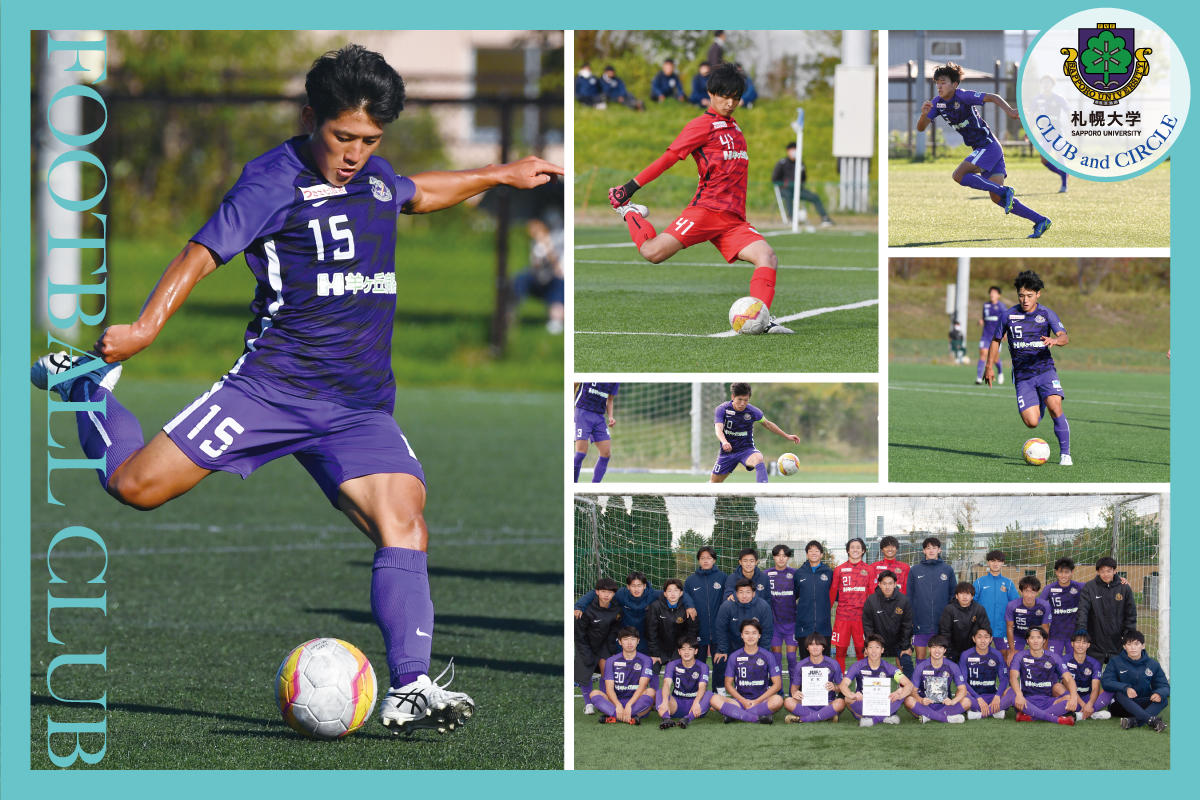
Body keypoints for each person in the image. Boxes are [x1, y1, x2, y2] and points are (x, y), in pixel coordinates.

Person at [31, 44, 564, 736]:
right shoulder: (270, 182)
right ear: (311, 116)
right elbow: (201, 256)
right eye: (343, 136)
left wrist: (501, 173)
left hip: (358, 406)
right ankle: (87, 389)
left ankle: (411, 685)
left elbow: (418, 192)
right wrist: (143, 329)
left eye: (370, 140)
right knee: (134, 487)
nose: (355, 153)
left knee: (404, 522)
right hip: (271, 391)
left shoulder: (373, 178)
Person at [607, 64, 794, 334]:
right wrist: (630, 187)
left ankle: (763, 320)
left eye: (735, 97)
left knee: (767, 256)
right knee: (652, 252)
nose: (730, 103)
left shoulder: (736, 128)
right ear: (710, 94)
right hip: (705, 211)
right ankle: (630, 212)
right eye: (724, 96)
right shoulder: (701, 126)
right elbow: (668, 159)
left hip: (733, 221)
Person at [916, 62, 1051, 239]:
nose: (939, 86)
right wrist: (924, 115)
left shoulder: (963, 96)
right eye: (937, 83)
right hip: (985, 149)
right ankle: (1040, 220)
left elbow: (993, 97)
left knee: (958, 175)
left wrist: (1010, 111)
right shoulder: (937, 103)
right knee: (997, 198)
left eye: (943, 82)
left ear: (955, 84)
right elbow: (920, 128)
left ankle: (1006, 191)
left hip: (988, 146)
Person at [985, 269, 1072, 465]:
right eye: (1021, 295)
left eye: (1029, 296)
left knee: (1055, 407)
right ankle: (1040, 400)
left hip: (1045, 369)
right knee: (1032, 423)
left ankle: (1065, 454)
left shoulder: (1046, 314)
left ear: (1038, 294)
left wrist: (1055, 340)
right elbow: (996, 340)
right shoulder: (1008, 315)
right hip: (1023, 375)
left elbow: (1064, 336)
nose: (1025, 300)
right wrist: (989, 366)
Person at [574, 571, 697, 651]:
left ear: (644, 586)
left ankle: (645, 690)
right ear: (628, 587)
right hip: (624, 634)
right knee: (619, 661)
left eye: (639, 585)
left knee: (645, 663)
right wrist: (579, 606)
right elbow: (596, 593)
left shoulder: (653, 594)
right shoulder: (621, 594)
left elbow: (679, 594)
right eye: (633, 585)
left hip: (644, 635)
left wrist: (690, 605)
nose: (636, 589)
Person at [710, 383, 802, 483]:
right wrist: (724, 442)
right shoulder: (722, 409)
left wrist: (787, 436)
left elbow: (768, 424)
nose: (742, 403)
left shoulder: (753, 411)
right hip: (727, 453)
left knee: (758, 458)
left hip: (746, 450)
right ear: (733, 397)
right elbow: (718, 429)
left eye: (746, 400)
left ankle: (762, 492)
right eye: (739, 399)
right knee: (714, 483)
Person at [710, 619, 783, 723]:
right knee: (714, 699)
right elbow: (728, 684)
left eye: (754, 633)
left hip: (761, 700)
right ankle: (757, 717)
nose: (750, 636)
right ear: (742, 635)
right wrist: (743, 701)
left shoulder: (768, 655)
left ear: (759, 635)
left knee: (778, 700)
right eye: (747, 633)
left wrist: (757, 701)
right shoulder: (734, 656)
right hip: (739, 701)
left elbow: (777, 684)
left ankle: (735, 714)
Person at [839, 635, 915, 726]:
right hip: (864, 701)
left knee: (903, 691)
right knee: (847, 698)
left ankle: (871, 720)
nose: (874, 651)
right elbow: (843, 685)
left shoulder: (888, 667)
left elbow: (909, 684)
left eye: (877, 647)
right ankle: (884, 717)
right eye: (870, 647)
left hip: (882, 702)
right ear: (866, 650)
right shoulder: (857, 666)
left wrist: (899, 694)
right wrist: (853, 695)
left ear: (882, 650)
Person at [1101, 630, 1169, 732]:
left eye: (1136, 644)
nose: (1133, 648)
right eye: (1129, 644)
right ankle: (1151, 720)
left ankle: (1134, 721)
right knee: (1120, 693)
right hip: (1120, 706)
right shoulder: (1115, 662)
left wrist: (1159, 693)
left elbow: (1164, 686)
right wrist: (1125, 688)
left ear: (1143, 646)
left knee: (1163, 699)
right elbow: (1106, 682)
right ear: (1124, 647)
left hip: (1141, 703)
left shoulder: (1153, 664)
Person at [1009, 627, 1079, 724]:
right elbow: (1013, 677)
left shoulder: (1053, 657)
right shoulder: (1020, 656)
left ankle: (1032, 717)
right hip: (1027, 701)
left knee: (1068, 698)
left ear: (1044, 640)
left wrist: (1074, 697)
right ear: (1027, 640)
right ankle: (1057, 719)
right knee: (1012, 696)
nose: (1035, 641)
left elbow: (1068, 678)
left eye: (1038, 637)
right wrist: (1019, 695)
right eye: (1032, 638)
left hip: (1048, 701)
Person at [575, 577, 624, 714]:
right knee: (585, 672)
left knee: (606, 670)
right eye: (603, 591)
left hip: (604, 645)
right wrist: (586, 653)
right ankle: (588, 704)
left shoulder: (616, 609)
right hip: (586, 644)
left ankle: (601, 700)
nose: (606, 595)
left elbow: (615, 629)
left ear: (614, 594)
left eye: (610, 592)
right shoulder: (585, 609)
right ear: (596, 592)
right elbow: (579, 634)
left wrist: (610, 647)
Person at [684, 546, 729, 691]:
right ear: (698, 560)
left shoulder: (723, 577)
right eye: (702, 558)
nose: (706, 561)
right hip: (699, 629)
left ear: (714, 560)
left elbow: (728, 595)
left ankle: (719, 694)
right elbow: (685, 596)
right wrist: (689, 605)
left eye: (709, 558)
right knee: (698, 664)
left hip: (719, 629)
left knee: (720, 663)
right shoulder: (691, 580)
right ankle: (695, 693)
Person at [589, 627, 656, 724]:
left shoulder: (646, 660)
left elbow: (642, 686)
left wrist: (629, 705)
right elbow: (609, 688)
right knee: (594, 693)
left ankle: (614, 716)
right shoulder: (611, 661)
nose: (629, 643)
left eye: (633, 639)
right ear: (620, 642)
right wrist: (618, 705)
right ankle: (631, 717)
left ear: (638, 641)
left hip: (636, 701)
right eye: (625, 639)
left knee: (651, 692)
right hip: (616, 702)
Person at [1077, 556, 1137, 663]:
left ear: (1115, 571)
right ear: (1098, 572)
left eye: (1109, 571)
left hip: (1117, 643)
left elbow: (1130, 613)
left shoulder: (1124, 588)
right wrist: (1082, 628)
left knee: (1116, 677)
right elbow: (1083, 610)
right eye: (1102, 571)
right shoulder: (1090, 587)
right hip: (1095, 643)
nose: (1105, 574)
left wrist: (1129, 633)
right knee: (1094, 677)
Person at [512, 217, 564, 334]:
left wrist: (547, 246)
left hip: (556, 279)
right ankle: (510, 313)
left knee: (559, 289)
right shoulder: (535, 244)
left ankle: (556, 320)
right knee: (519, 279)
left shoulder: (554, 240)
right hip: (539, 278)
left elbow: (556, 266)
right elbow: (535, 266)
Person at [909, 537, 956, 660]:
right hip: (920, 622)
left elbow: (953, 595)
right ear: (924, 551)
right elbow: (909, 595)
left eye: (934, 548)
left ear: (939, 550)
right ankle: (920, 679)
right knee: (920, 657)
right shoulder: (914, 570)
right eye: (928, 548)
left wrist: (949, 617)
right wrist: (912, 618)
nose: (931, 550)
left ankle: (938, 679)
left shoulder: (948, 570)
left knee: (938, 656)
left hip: (941, 622)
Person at [904, 635, 971, 723]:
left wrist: (953, 701)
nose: (937, 650)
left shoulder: (952, 666)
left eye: (940, 647)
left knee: (967, 701)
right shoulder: (921, 667)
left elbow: (962, 689)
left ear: (945, 650)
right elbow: (913, 691)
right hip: (926, 704)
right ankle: (945, 718)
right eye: (934, 647)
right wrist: (921, 700)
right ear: (929, 649)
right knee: (908, 700)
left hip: (944, 704)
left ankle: (928, 716)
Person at [861, 570, 914, 678]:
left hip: (898, 643)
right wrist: (871, 646)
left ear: (895, 584)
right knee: (867, 663)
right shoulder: (871, 600)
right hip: (878, 643)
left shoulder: (903, 601)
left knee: (907, 663)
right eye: (884, 583)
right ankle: (866, 690)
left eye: (890, 583)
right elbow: (867, 625)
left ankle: (909, 692)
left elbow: (907, 626)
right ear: (879, 584)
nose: (887, 587)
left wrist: (905, 646)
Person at [830, 538, 872, 672]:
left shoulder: (869, 570)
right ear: (848, 550)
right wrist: (827, 610)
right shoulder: (839, 570)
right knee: (840, 651)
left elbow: (872, 594)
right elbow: (832, 593)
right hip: (843, 617)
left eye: (858, 547)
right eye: (852, 547)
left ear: (863, 551)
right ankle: (839, 682)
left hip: (861, 617)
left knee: (862, 651)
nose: (855, 550)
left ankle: (863, 682)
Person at [783, 633, 844, 723]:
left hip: (827, 702)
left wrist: (834, 687)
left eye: (818, 644)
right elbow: (793, 689)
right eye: (811, 644)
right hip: (806, 702)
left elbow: (842, 688)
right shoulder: (800, 665)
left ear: (823, 647)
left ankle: (804, 718)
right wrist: (795, 693)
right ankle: (825, 715)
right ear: (807, 648)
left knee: (841, 703)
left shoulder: (833, 664)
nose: (815, 647)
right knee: (788, 701)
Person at [770, 143, 834, 227]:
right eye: (792, 150)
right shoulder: (782, 163)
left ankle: (825, 218)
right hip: (785, 189)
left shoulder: (800, 163)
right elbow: (774, 179)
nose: (794, 152)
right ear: (788, 151)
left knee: (814, 196)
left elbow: (803, 178)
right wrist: (785, 184)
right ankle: (791, 218)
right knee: (788, 196)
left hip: (798, 189)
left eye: (795, 149)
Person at [657, 637, 712, 729]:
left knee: (709, 694)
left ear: (696, 651)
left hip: (695, 708)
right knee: (659, 692)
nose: (686, 652)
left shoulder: (703, 666)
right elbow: (666, 684)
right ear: (679, 651)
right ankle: (666, 719)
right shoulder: (672, 664)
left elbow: (702, 687)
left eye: (690, 649)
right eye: (683, 649)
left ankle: (687, 719)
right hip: (676, 705)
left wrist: (696, 703)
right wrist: (665, 702)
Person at [715, 579, 775, 662]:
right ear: (736, 593)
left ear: (753, 593)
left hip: (755, 647)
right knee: (721, 661)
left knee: (759, 666)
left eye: (748, 592)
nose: (744, 596)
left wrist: (762, 652)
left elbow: (767, 631)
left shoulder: (763, 606)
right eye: (741, 592)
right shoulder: (726, 606)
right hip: (732, 647)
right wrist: (723, 650)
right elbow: (721, 629)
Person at [959, 627, 1014, 719]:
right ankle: (995, 711)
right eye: (979, 637)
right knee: (960, 693)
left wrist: (997, 696)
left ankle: (979, 713)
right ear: (974, 639)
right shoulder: (966, 655)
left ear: (991, 639)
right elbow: (963, 681)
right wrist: (978, 698)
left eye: (986, 637)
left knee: (1013, 691)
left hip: (992, 696)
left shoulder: (997, 654)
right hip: (973, 696)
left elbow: (1004, 679)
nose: (983, 640)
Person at [645, 579, 700, 671]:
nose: (672, 594)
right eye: (669, 591)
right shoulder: (655, 606)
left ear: (681, 593)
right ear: (665, 594)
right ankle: (652, 686)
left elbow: (692, 631)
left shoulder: (688, 609)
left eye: (676, 590)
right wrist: (654, 653)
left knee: (680, 671)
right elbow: (651, 632)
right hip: (660, 647)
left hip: (679, 648)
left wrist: (685, 649)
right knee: (652, 668)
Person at [765, 544, 799, 690]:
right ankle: (777, 691)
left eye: (784, 555)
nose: (781, 558)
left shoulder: (795, 574)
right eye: (778, 555)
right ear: (773, 557)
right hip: (774, 624)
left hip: (791, 623)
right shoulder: (765, 574)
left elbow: (800, 594)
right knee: (776, 659)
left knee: (792, 658)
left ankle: (793, 690)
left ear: (788, 557)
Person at [1030, 76, 1070, 192]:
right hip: (1044, 134)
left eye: (1048, 83)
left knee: (1060, 157)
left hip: (1057, 132)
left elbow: (1069, 111)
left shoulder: (1058, 98)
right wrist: (1029, 131)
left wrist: (1072, 126)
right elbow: (1032, 116)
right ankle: (1063, 174)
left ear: (1052, 85)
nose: (1046, 85)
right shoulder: (1037, 99)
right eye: (1043, 83)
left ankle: (1064, 185)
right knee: (1043, 159)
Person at [793, 540, 834, 654]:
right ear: (807, 554)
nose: (813, 553)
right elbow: (793, 595)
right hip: (804, 626)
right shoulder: (799, 573)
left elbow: (836, 594)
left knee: (824, 662)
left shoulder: (829, 572)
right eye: (810, 551)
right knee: (805, 662)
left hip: (823, 625)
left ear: (821, 554)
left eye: (817, 550)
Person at [1040, 557, 1087, 656]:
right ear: (1056, 572)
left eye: (1066, 572)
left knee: (1073, 663)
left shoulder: (1079, 587)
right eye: (1061, 572)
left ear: (1072, 572)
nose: (1063, 575)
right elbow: (1039, 607)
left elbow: (1098, 584)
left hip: (1074, 635)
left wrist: (1118, 579)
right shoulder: (1049, 589)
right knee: (1054, 662)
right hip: (1055, 634)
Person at [573, 382, 618, 482]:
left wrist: (610, 416)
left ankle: (593, 490)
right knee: (581, 453)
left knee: (606, 453)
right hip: (583, 412)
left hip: (599, 417)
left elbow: (610, 400)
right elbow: (574, 384)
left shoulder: (615, 380)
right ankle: (573, 488)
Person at [973, 550, 1017, 652]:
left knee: (1004, 656)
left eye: (998, 561)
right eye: (993, 561)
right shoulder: (980, 582)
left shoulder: (1008, 583)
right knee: (982, 655)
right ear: (988, 562)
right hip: (983, 627)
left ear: (1003, 563)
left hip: (1002, 627)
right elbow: (972, 602)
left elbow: (1015, 603)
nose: (995, 564)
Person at [1065, 632, 1113, 721]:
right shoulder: (1064, 660)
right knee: (1059, 688)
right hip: (1071, 697)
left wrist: (1090, 704)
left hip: (1087, 697)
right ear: (1072, 644)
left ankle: (1081, 714)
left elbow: (1096, 688)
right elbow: (1066, 685)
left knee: (1109, 690)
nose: (1081, 645)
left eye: (1084, 643)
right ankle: (1093, 713)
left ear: (1088, 645)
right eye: (1078, 642)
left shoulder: (1094, 663)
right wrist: (1084, 705)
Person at [938, 581, 990, 662]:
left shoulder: (979, 609)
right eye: (962, 593)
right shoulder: (949, 609)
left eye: (968, 594)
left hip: (974, 650)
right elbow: (944, 632)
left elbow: (986, 630)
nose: (965, 597)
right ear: (956, 596)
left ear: (972, 596)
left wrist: (982, 648)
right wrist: (947, 652)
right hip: (953, 651)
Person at [1004, 576, 1052, 663]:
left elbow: (1045, 629)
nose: (1029, 595)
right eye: (1026, 591)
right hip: (1018, 635)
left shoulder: (1044, 605)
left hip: (1035, 636)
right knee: (1011, 660)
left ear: (1037, 592)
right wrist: (1012, 650)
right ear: (1021, 592)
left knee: (1041, 660)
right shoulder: (1012, 605)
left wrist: (1044, 649)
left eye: (1033, 591)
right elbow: (1009, 628)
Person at [976, 285, 1006, 385]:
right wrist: (981, 321)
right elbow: (984, 317)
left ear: (999, 295)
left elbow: (1005, 321)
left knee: (995, 358)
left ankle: (1000, 372)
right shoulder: (985, 305)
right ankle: (979, 377)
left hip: (996, 337)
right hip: (985, 335)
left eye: (994, 293)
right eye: (991, 293)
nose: (992, 295)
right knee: (983, 354)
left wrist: (1005, 333)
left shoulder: (1001, 307)